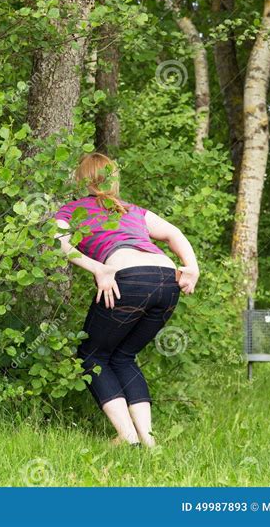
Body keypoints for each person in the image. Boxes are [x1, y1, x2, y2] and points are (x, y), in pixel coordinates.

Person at [53, 152, 199, 448]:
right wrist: (191, 266)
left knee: (91, 356)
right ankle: (149, 440)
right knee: (122, 356)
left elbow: (58, 242)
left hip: (130, 278)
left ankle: (127, 435)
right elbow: (173, 233)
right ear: (114, 179)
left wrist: (99, 268)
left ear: (82, 179)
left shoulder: (71, 211)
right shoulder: (132, 210)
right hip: (166, 280)